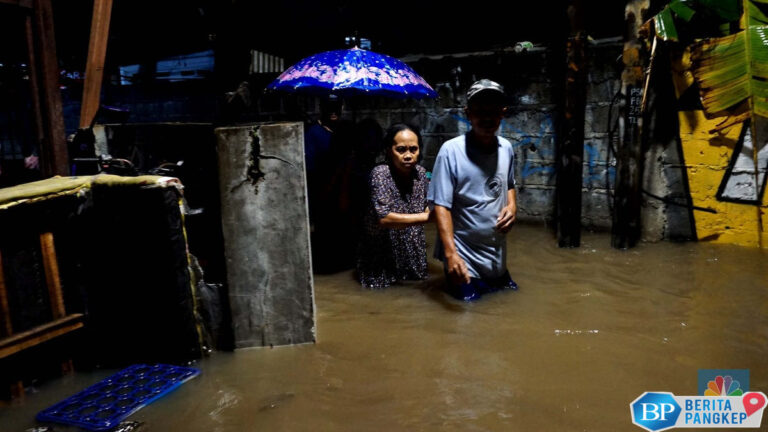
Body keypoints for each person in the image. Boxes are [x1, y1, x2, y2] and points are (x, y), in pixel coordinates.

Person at [427, 79, 519, 301]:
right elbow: (441, 206)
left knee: (508, 307)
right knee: (468, 320)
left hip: (496, 258)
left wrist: (513, 206)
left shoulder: (506, 148)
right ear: (468, 113)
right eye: (480, 111)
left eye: (493, 111)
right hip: (464, 260)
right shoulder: (451, 151)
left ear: (502, 113)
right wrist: (450, 255)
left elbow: (509, 185)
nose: (487, 118)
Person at [357, 124, 430, 289]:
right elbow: (385, 218)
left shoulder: (422, 173)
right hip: (381, 261)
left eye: (413, 149)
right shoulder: (380, 173)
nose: (408, 155)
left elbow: (428, 200)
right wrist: (429, 217)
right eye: (401, 149)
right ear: (389, 151)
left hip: (412, 257)